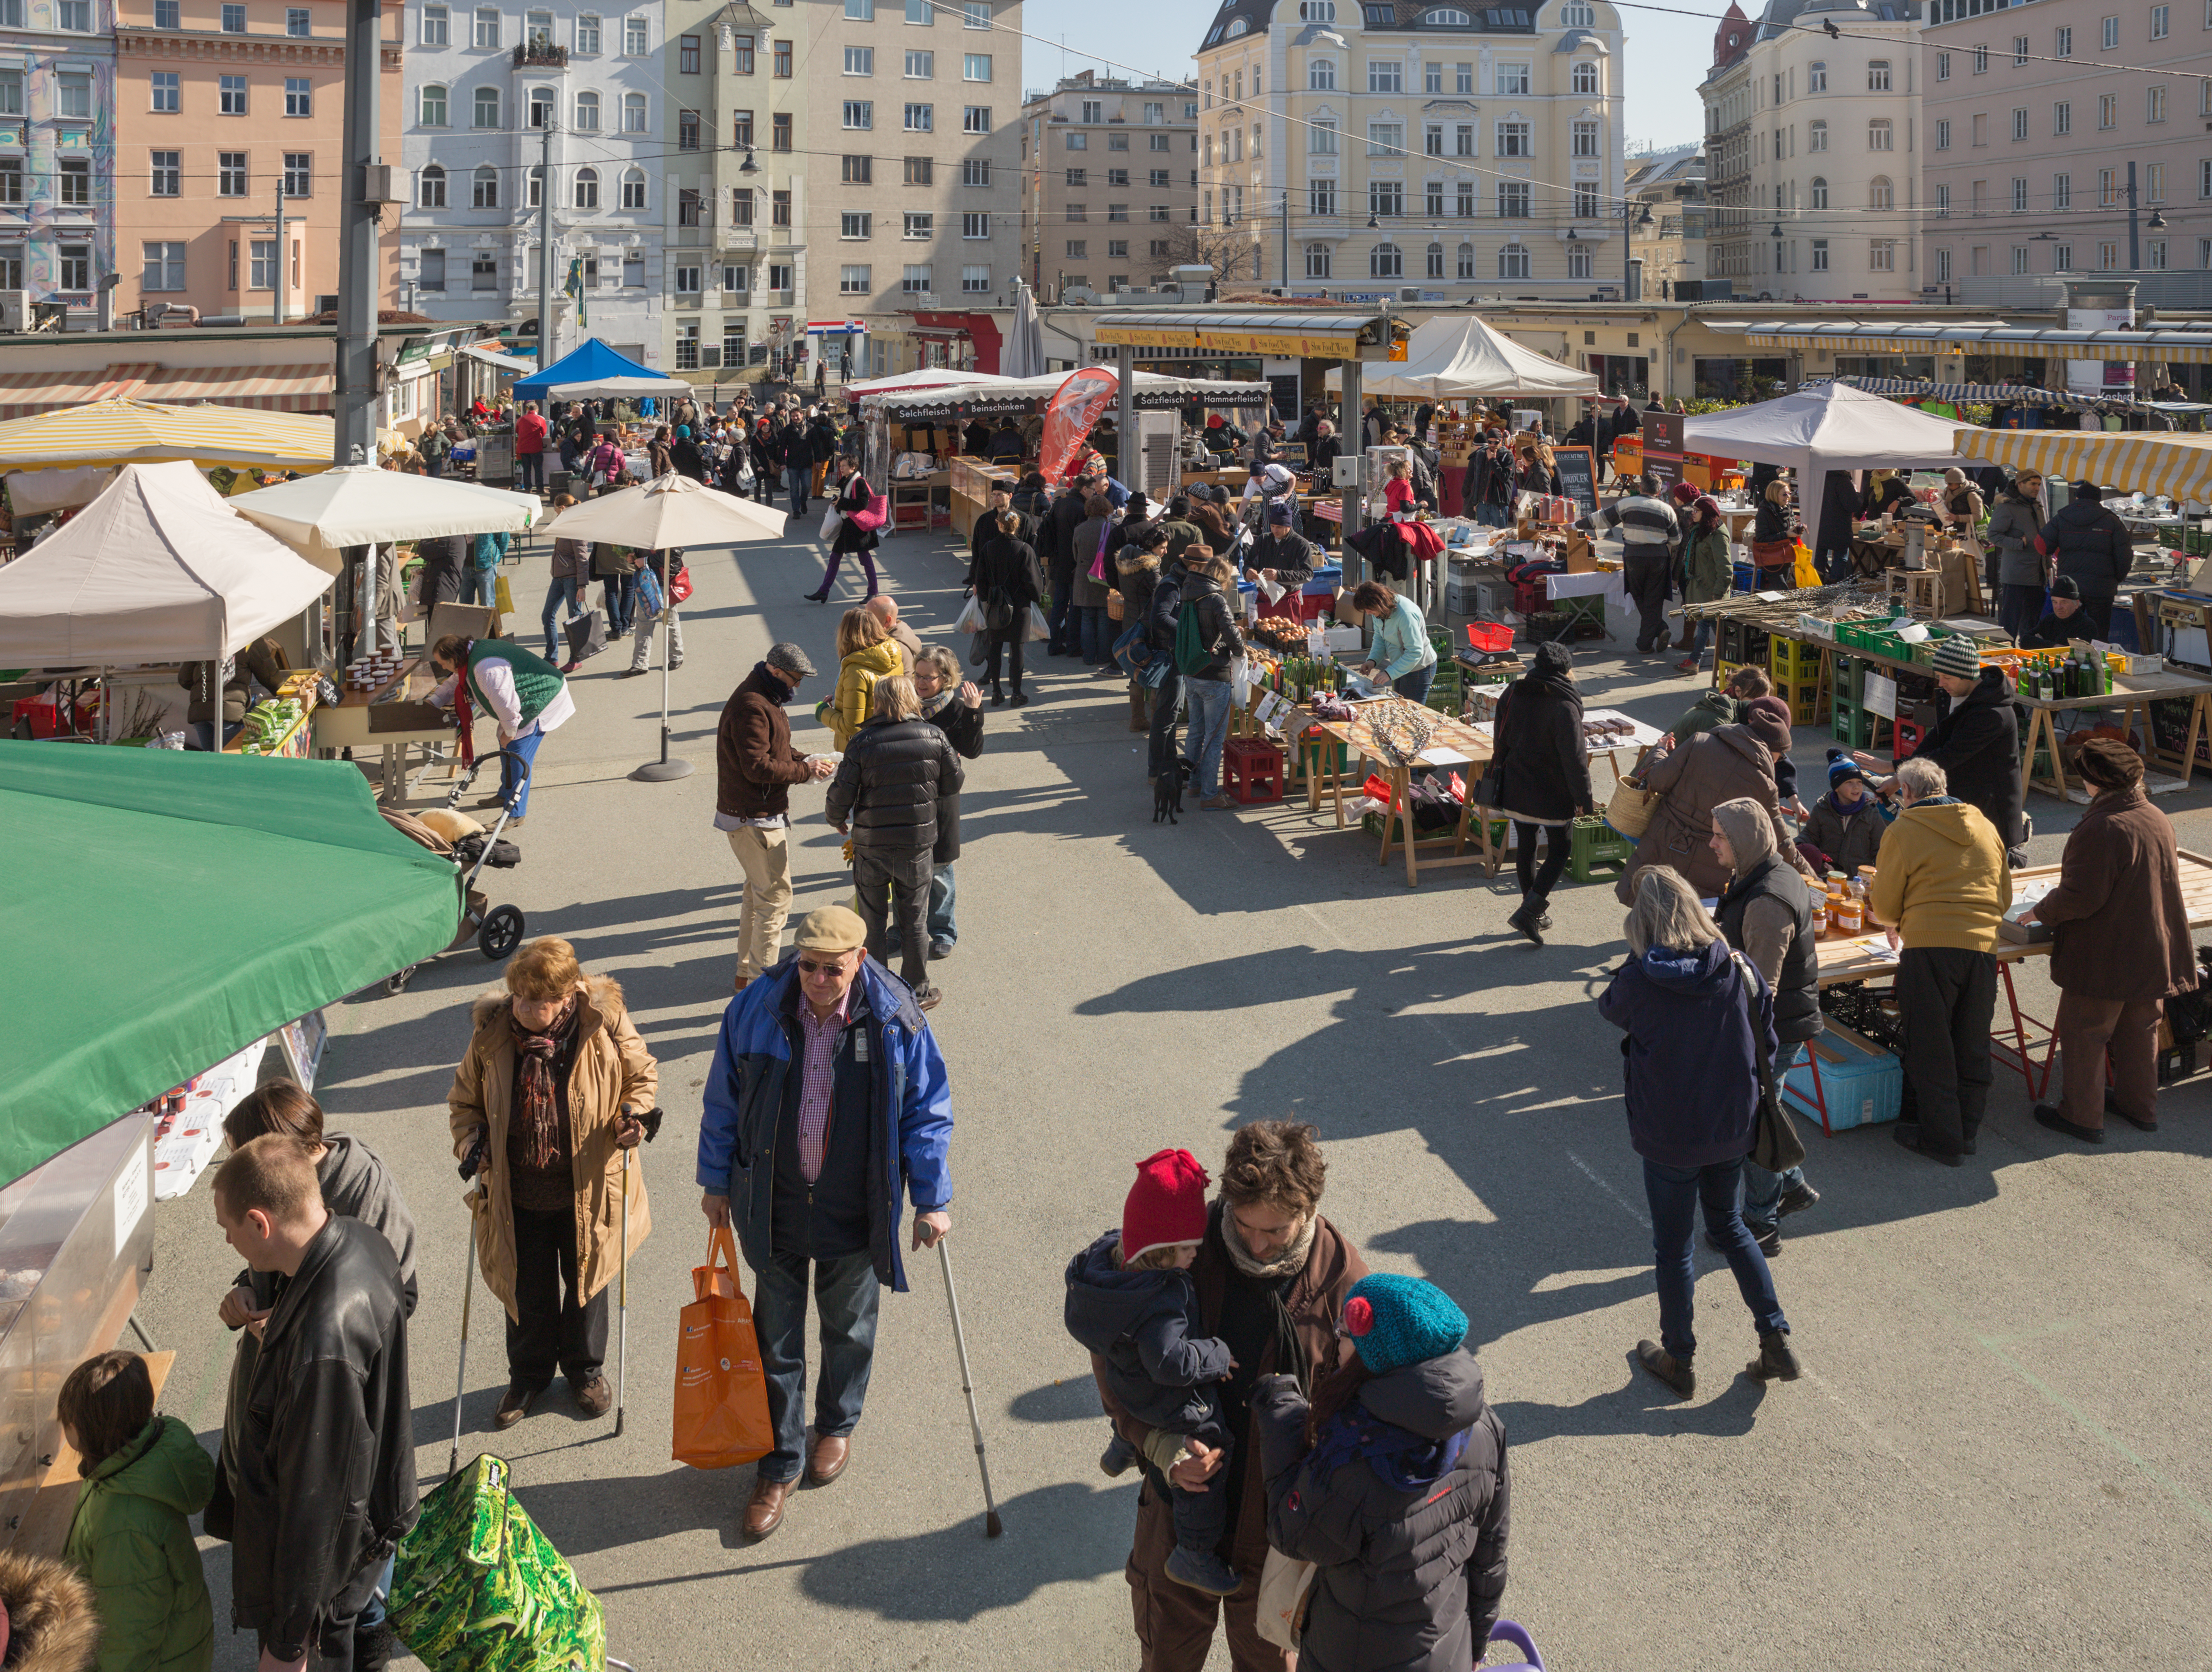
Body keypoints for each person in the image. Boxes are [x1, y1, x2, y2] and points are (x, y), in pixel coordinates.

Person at [697, 904, 955, 1541]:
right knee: (774, 1340)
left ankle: (835, 1425)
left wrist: (931, 1198)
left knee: (848, 1327)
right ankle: (778, 1462)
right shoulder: (755, 1008)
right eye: (807, 966)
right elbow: (723, 1096)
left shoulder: (896, 1017)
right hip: (774, 1203)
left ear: (859, 960)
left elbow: (926, 1111)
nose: (816, 979)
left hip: (854, 1205)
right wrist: (716, 1180)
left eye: (831, 969)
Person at [1091, 1121, 1366, 1672]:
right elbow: (1116, 1354)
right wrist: (1160, 1444)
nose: (1257, 1244)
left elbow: (1357, 1416)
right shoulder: (1185, 1246)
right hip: (1176, 1517)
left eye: (1276, 1231)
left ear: (1308, 1210)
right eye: (1243, 1224)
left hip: (1277, 1541)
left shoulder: (1343, 1280)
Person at [204, 1135, 414, 1672]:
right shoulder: (365, 1242)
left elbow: (316, 1500)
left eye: (228, 1228)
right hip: (367, 1529)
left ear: (260, 1222)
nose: (227, 1241)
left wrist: (290, 1641)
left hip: (327, 1570)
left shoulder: (324, 1344)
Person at [1598, 868, 1800, 1398]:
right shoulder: (1736, 966)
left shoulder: (1640, 978)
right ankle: (1774, 1335)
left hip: (1669, 1131)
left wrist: (1635, 954)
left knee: (1673, 1247)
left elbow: (1609, 1008)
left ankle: (1680, 1357)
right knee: (1730, 1225)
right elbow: (1767, 1041)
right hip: (1731, 1124)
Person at [447, 937, 657, 1426]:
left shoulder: (602, 1023)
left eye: (537, 1000)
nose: (524, 1008)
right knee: (525, 1287)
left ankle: (585, 1371)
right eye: (519, 997)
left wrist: (634, 1116)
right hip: (515, 1189)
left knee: (588, 1283)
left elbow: (641, 1075)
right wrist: (470, 1143)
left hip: (588, 1185)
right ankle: (528, 1376)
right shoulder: (492, 1032)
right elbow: (464, 1103)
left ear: (568, 996)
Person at [1253, 1274, 1509, 1672]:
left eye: (1343, 1331)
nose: (1335, 1340)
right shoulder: (1484, 1428)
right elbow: (1490, 1549)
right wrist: (1477, 1644)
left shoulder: (1357, 1460)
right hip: (1447, 1648)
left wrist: (1282, 1418)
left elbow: (1292, 1532)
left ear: (1372, 1356)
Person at [1066, 1150, 1244, 1598]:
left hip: (1127, 1384)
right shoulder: (1160, 1300)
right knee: (1211, 1447)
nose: (1193, 1256)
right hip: (1161, 1392)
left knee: (1134, 1398)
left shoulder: (1106, 1264)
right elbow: (1171, 1362)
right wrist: (1217, 1354)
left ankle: (1124, 1441)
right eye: (1186, 1249)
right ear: (1159, 1252)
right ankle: (1194, 1551)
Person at [2018, 738, 2199, 1143]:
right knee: (2141, 1030)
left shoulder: (2102, 826)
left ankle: (2082, 1116)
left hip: (2107, 953)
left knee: (2086, 1034)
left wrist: (2038, 911)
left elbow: (2081, 896)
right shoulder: (2153, 815)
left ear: (2094, 781)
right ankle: (2140, 1107)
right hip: (2152, 947)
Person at [1865, 756, 2010, 1167]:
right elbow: (2003, 895)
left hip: (1929, 945)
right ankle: (1966, 1132)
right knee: (1971, 1039)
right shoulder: (1984, 825)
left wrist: (1896, 920)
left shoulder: (1904, 829)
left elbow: (1886, 903)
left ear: (1906, 793)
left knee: (1930, 1042)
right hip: (1981, 946)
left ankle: (1940, 1138)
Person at [1708, 797, 1822, 1257]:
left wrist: (1735, 1044)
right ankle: (1791, 1185)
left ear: (1743, 841)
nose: (1711, 843)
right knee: (1765, 1110)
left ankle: (1761, 1221)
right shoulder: (1760, 873)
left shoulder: (1767, 901)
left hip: (1770, 1028)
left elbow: (1761, 988)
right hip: (1774, 1022)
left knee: (1753, 1122)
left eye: (1718, 836)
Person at [58, 1350, 215, 1672]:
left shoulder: (124, 1527)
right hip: (179, 1644)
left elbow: (128, 1638)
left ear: (88, 1430)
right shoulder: (130, 1462)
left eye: (68, 1423)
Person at [221, 1082, 419, 1317]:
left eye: (239, 1158)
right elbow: (280, 1253)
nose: (237, 1171)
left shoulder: (364, 1195)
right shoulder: (282, 1179)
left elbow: (391, 1300)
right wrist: (249, 1290)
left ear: (272, 1154)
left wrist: (288, 1327)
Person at [825, 674, 962, 1004]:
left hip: (872, 844)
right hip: (916, 844)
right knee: (915, 919)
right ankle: (917, 991)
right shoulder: (934, 736)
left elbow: (842, 793)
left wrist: (836, 818)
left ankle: (874, 990)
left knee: (873, 919)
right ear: (912, 698)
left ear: (879, 702)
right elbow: (953, 781)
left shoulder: (862, 741)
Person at [717, 642, 836, 992]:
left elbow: (775, 752)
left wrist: (808, 760)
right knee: (776, 899)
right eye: (794, 679)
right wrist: (804, 769)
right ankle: (760, 986)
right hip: (755, 816)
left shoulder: (762, 696)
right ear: (775, 671)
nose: (796, 687)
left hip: (751, 813)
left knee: (757, 894)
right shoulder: (754, 705)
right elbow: (758, 767)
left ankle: (745, 975)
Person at [1860, 636, 2023, 860]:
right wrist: (1900, 776)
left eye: (1947, 677)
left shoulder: (1992, 714)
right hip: (1967, 799)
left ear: (1967, 675)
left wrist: (1893, 768)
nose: (1941, 684)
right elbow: (1935, 739)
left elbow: (1949, 754)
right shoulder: (1961, 696)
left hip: (1991, 807)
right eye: (1939, 677)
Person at [1619, 722, 1797, 907]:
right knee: (1693, 925)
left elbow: (1656, 780)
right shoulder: (1764, 785)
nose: (1779, 760)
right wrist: (1812, 876)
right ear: (1768, 747)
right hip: (1709, 866)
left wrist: (1660, 751)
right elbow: (1782, 843)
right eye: (1781, 754)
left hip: (1663, 843)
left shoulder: (1700, 742)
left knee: (1647, 913)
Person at [1491, 638, 1595, 947]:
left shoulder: (1513, 692)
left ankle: (1530, 909)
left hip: (1517, 786)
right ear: (1566, 671)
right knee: (1560, 851)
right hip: (1552, 793)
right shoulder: (1565, 705)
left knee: (1526, 845)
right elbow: (1575, 759)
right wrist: (1583, 799)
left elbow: (1500, 738)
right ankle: (1530, 910)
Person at [428, 633, 572, 825]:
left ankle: (515, 814)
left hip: (543, 698)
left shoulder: (487, 669)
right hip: (524, 699)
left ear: (454, 657)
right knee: (508, 751)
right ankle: (506, 794)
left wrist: (511, 732)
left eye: (443, 663)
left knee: (518, 754)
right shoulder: (468, 655)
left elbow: (506, 705)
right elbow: (455, 681)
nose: (443, 668)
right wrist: (431, 704)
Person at [912, 647, 983, 960]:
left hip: (941, 800)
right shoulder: (905, 703)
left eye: (929, 676)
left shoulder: (955, 709)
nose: (922, 682)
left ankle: (942, 931)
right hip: (906, 797)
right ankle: (904, 930)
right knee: (904, 868)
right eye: (918, 674)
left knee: (939, 869)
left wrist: (973, 712)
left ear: (945, 677)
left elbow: (971, 750)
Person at [1175, 552, 1246, 813]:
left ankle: (1193, 783)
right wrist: (1240, 653)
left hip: (1193, 672)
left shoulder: (1188, 592)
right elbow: (1231, 632)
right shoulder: (1215, 599)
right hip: (1215, 674)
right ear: (1222, 578)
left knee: (1195, 730)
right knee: (1214, 738)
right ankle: (1209, 794)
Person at [1577, 485, 1681, 656]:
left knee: (1638, 594)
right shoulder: (1667, 509)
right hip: (1658, 557)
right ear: (1659, 490)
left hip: (1634, 556)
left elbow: (1601, 518)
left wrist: (1575, 525)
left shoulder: (1627, 503)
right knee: (1654, 598)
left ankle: (1646, 642)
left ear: (1641, 487)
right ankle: (1658, 630)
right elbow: (1676, 541)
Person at [2035, 481, 2133, 640]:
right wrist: (2116, 579)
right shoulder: (2112, 521)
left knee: (2069, 632)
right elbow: (2125, 555)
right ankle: (2097, 663)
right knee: (2099, 634)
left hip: (2070, 588)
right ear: (2099, 499)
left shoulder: (2061, 517)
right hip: (2101, 588)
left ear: (2077, 497)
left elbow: (2043, 547)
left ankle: (2068, 662)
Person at [971, 507, 1045, 707]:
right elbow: (1034, 583)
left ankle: (996, 692)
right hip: (1020, 605)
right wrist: (1035, 597)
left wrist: (989, 598)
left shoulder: (988, 548)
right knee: (1017, 647)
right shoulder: (1025, 549)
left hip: (996, 604)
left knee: (995, 646)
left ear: (1000, 524)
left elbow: (981, 579)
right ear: (1017, 525)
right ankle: (1017, 693)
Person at [178, 636, 286, 753]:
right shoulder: (250, 638)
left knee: (210, 760)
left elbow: (185, 679)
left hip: (200, 711)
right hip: (229, 713)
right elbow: (269, 675)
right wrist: (284, 692)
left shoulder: (204, 639)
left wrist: (205, 689)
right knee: (227, 758)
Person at [1798, 750, 1892, 876]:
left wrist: (1881, 873)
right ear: (1836, 787)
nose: (1856, 787)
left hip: (1860, 877)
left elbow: (1881, 848)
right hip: (1828, 872)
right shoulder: (1822, 809)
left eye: (1859, 782)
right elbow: (1810, 835)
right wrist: (1797, 844)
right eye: (1849, 783)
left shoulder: (1871, 813)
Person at [822, 608, 901, 752]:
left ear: (846, 635)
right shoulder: (895, 659)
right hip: (889, 741)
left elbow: (852, 726)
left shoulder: (856, 671)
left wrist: (823, 712)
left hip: (861, 751)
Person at [1985, 470, 2048, 643]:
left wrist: (2048, 566)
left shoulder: (2036, 506)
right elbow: (1993, 535)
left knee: (2032, 623)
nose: (2037, 488)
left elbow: (2042, 537)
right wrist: (2019, 543)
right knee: (2010, 622)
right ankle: (2004, 654)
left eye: (2039, 485)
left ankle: (2027, 657)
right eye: (2033, 484)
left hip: (2038, 573)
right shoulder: (2008, 507)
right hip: (2016, 574)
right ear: (2020, 484)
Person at [1350, 579, 1436, 703]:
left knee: (1410, 712)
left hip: (1419, 668)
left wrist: (1389, 673)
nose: (1368, 614)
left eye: (1369, 609)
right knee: (1399, 705)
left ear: (1379, 603)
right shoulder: (1379, 612)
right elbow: (1380, 637)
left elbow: (1415, 652)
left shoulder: (1406, 614)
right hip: (1400, 664)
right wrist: (1372, 660)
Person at [807, 462, 883, 603]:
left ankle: (873, 592)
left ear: (853, 467)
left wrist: (841, 502)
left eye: (844, 466)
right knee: (835, 558)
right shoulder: (846, 482)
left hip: (860, 528)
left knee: (864, 559)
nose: (841, 468)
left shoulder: (859, 482)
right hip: (849, 526)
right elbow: (847, 503)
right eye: (840, 465)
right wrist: (838, 503)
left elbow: (862, 505)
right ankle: (824, 591)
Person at [1676, 494, 1732, 674]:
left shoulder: (1718, 536)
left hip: (1711, 592)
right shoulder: (1701, 529)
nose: (1693, 513)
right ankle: (1699, 661)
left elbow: (1725, 568)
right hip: (1701, 590)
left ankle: (1727, 663)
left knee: (1711, 629)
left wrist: (1718, 592)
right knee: (1705, 627)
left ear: (1706, 514)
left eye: (1697, 511)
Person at [1666, 663, 1770, 750]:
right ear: (1738, 691)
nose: (1761, 707)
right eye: (1756, 699)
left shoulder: (1726, 707)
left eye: (1765, 699)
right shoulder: (1720, 720)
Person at [1070, 491, 1119, 669]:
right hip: (1104, 577)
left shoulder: (1079, 529)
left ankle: (1088, 656)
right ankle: (1103, 657)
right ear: (1107, 509)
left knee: (1086, 618)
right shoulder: (1111, 528)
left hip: (1084, 577)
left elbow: (1075, 555)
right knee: (1104, 619)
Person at [542, 504, 590, 666]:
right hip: (559, 578)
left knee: (575, 618)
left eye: (556, 508)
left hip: (572, 579)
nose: (554, 512)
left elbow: (583, 559)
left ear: (562, 507)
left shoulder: (575, 527)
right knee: (547, 615)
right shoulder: (563, 525)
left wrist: (582, 586)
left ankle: (576, 659)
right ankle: (551, 657)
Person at [2020, 574, 2091, 650]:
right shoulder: (2049, 619)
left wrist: (2041, 642)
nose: (2058, 607)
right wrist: (2055, 646)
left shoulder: (2086, 625)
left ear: (2077, 604)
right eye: (2055, 602)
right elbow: (2025, 641)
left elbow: (2071, 652)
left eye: (2064, 603)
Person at [1751, 477, 1798, 577]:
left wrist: (1797, 531)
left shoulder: (1788, 509)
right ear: (1774, 495)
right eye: (1784, 494)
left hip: (1785, 555)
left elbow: (1791, 529)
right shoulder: (1764, 513)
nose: (1788, 497)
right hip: (1770, 557)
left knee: (1782, 589)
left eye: (1789, 493)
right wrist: (1786, 534)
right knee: (1781, 589)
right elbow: (1761, 538)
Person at [863, 593, 923, 673]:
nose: (865, 623)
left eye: (869, 619)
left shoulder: (894, 648)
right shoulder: (904, 631)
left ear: (887, 621)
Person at [459, 528, 506, 610]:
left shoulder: (488, 518)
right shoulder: (462, 519)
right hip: (465, 567)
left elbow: (504, 538)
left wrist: (496, 557)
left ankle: (490, 623)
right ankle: (468, 622)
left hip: (486, 568)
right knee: (464, 606)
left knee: (487, 606)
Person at [513, 402, 548, 495]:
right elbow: (544, 432)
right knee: (538, 469)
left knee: (526, 469)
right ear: (537, 410)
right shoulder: (540, 419)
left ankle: (528, 488)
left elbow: (517, 431)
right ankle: (540, 488)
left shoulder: (521, 419)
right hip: (536, 447)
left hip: (524, 447)